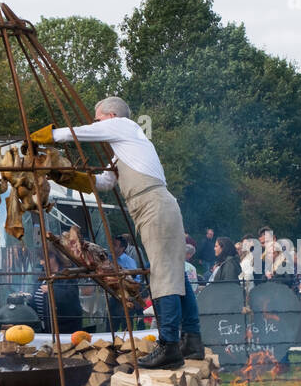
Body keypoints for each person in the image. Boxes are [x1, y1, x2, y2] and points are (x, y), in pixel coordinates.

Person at [36, 96, 202, 368]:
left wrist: (49, 135)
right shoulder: (124, 150)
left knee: (163, 275)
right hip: (154, 207)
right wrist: (66, 176)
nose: (96, 124)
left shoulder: (125, 126)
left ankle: (170, 344)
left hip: (154, 205)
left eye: (98, 118)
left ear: (111, 117)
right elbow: (104, 182)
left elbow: (81, 133)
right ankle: (192, 341)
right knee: (176, 276)